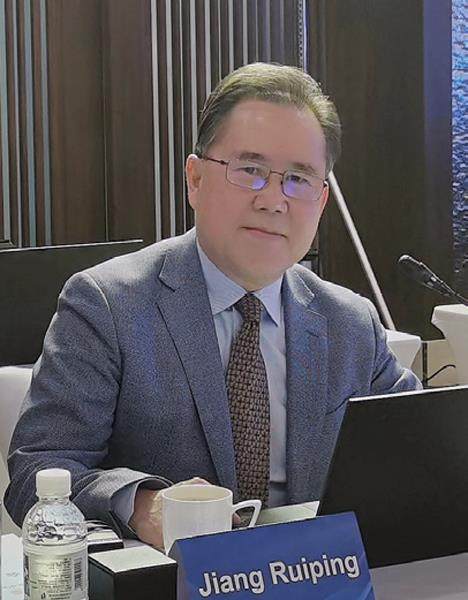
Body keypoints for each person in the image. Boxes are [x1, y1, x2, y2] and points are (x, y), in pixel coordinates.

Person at [5, 62, 420, 548]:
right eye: (251, 171)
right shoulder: (107, 305)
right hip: (170, 576)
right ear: (196, 179)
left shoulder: (350, 322)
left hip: (317, 572)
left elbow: (421, 446)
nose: (274, 200)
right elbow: (39, 470)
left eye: (298, 179)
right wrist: (142, 505)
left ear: (322, 201)